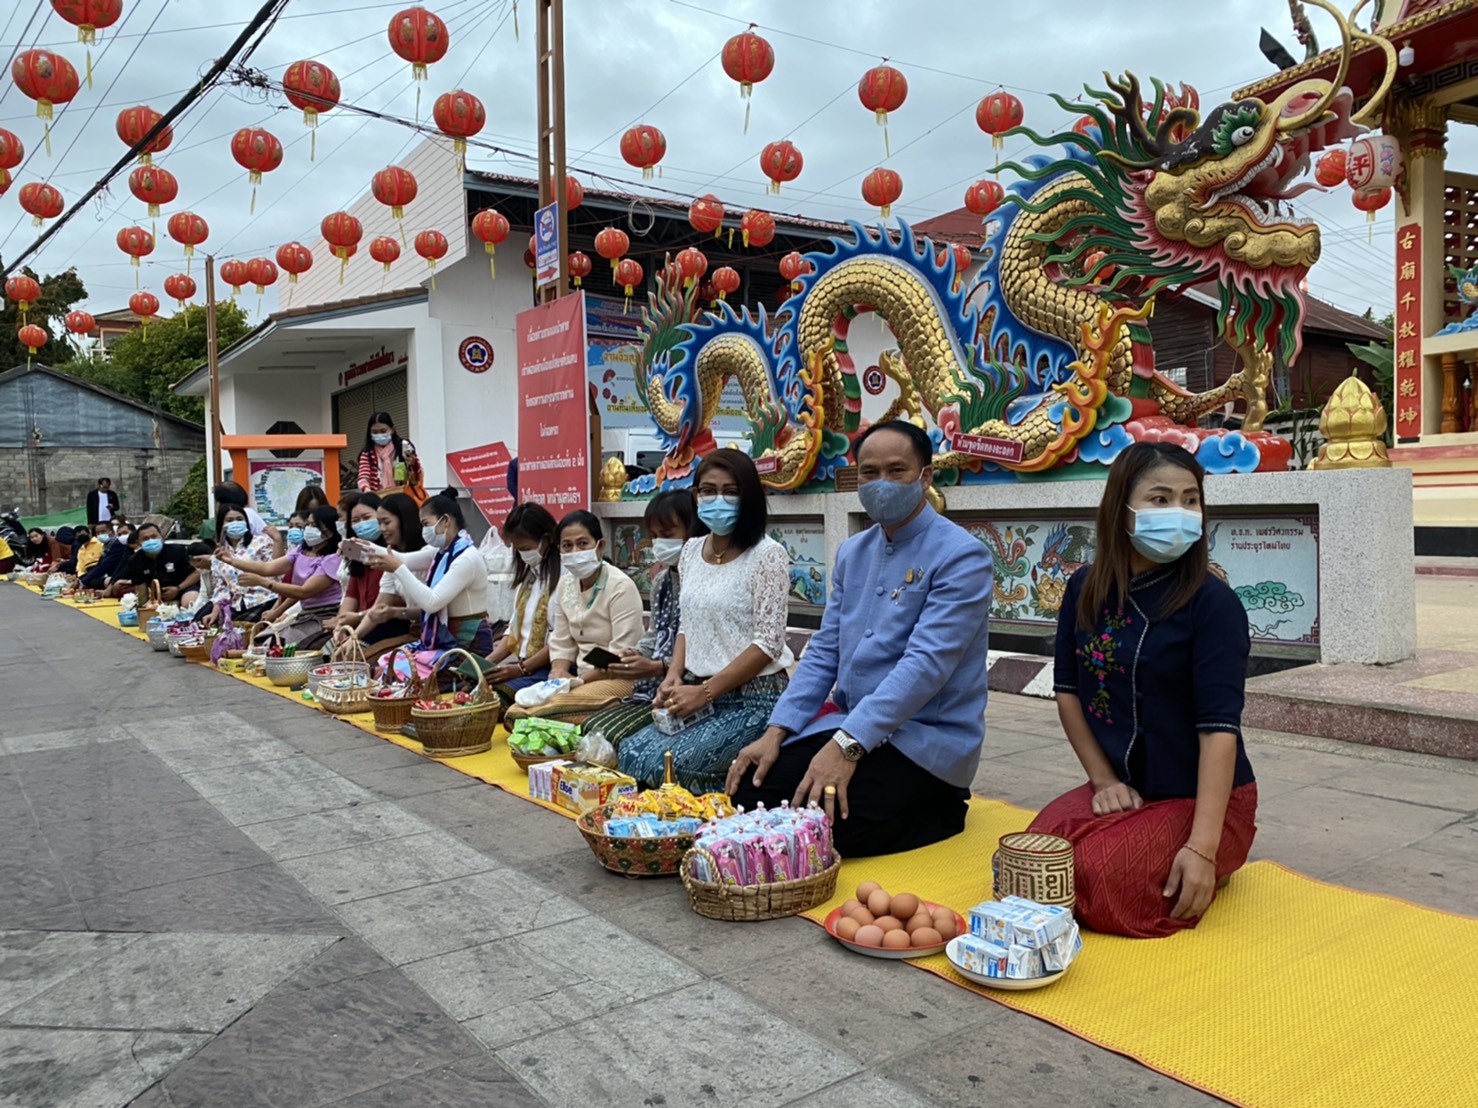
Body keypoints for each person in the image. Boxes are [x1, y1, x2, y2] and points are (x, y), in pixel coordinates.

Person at [728, 420, 993, 857]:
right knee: (754, 795)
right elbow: (824, 651)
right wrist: (777, 731)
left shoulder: (962, 556)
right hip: (847, 723)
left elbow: (925, 666)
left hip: (925, 737)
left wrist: (846, 747)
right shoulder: (853, 552)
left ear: (926, 477)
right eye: (869, 472)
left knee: (829, 829)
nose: (881, 483)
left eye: (897, 471)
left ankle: (945, 806)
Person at [1027, 442, 1257, 939]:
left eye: (1190, 499)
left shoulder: (1212, 604)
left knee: (1107, 883)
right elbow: (1067, 689)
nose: (1178, 511)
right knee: (1035, 853)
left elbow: (1219, 729)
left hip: (1204, 800)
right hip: (1126, 787)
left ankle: (1216, 858)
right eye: (1159, 499)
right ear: (1122, 508)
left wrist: (1201, 847)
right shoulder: (1085, 587)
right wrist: (1103, 780)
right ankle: (1139, 840)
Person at [618, 452, 792, 792]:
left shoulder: (768, 555)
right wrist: (673, 675)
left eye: (731, 491)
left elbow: (768, 644)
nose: (718, 500)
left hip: (755, 698)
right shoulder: (691, 551)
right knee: (630, 752)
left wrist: (705, 692)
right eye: (708, 491)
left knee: (668, 766)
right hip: (695, 689)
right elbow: (688, 622)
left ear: (750, 497)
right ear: (696, 496)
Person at [581, 492, 699, 749]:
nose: (659, 543)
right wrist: (631, 657)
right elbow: (654, 634)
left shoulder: (703, 582)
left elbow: (705, 648)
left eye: (668, 534)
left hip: (690, 688)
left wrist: (659, 666)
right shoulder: (661, 581)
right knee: (593, 730)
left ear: (694, 530)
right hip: (649, 685)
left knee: (613, 739)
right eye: (654, 536)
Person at [503, 511, 644, 726]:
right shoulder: (566, 585)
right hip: (578, 677)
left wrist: (575, 682)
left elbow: (620, 655)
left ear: (600, 546)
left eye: (583, 543)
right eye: (567, 546)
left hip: (618, 677)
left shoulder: (620, 587)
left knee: (542, 714)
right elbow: (561, 641)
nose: (575, 551)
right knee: (516, 709)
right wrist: (558, 671)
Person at [366, 494, 493, 675]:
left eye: (426, 524)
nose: (423, 530)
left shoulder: (467, 558)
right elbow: (404, 559)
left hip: (466, 647)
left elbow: (432, 602)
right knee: (387, 663)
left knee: (400, 677)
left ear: (445, 520)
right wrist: (364, 548)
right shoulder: (442, 552)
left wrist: (398, 569)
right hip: (444, 642)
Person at [229, 505, 343, 650]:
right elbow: (268, 568)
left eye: (313, 525)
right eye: (307, 524)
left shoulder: (332, 558)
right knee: (263, 640)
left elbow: (303, 592)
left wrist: (263, 583)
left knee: (281, 645)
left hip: (324, 615)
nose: (308, 528)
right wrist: (232, 561)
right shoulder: (301, 550)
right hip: (304, 613)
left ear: (328, 531)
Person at [479, 503, 561, 705]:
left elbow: (561, 640)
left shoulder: (564, 579)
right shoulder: (529, 578)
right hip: (525, 666)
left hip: (551, 668)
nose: (522, 555)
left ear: (547, 540)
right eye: (517, 549)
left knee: (493, 700)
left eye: (525, 549)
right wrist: (486, 665)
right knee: (475, 690)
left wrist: (520, 669)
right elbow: (514, 632)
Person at [338, 492, 423, 658]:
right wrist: (347, 632)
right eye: (354, 521)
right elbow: (376, 606)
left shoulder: (424, 555)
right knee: (342, 654)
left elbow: (430, 604)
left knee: (365, 662)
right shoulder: (386, 558)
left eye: (386, 522)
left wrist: (359, 617)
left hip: (407, 629)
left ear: (404, 520)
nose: (382, 528)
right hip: (381, 625)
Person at [197, 504, 277, 627]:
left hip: (264, 600)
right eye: (229, 520)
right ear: (222, 526)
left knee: (242, 630)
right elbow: (221, 588)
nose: (235, 523)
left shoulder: (261, 542)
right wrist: (215, 611)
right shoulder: (218, 554)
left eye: (240, 519)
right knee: (207, 627)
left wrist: (278, 540)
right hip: (236, 605)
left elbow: (276, 568)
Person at [106, 521, 204, 604]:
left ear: (162, 537)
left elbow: (196, 573)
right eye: (145, 539)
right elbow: (141, 589)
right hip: (158, 594)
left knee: (188, 601)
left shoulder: (178, 551)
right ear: (138, 542)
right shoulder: (135, 560)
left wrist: (178, 589)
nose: (150, 541)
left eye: (154, 536)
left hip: (184, 588)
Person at [356, 411, 424, 500]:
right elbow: (363, 476)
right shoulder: (367, 453)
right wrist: (367, 490)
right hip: (378, 498)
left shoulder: (403, 447)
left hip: (403, 496)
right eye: (375, 432)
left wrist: (413, 464)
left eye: (383, 431)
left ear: (393, 430)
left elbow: (416, 475)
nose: (379, 435)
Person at [82, 524, 133, 590]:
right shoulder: (106, 546)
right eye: (97, 533)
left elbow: (105, 566)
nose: (100, 535)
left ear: (112, 532)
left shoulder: (118, 545)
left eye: (103, 532)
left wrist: (112, 583)